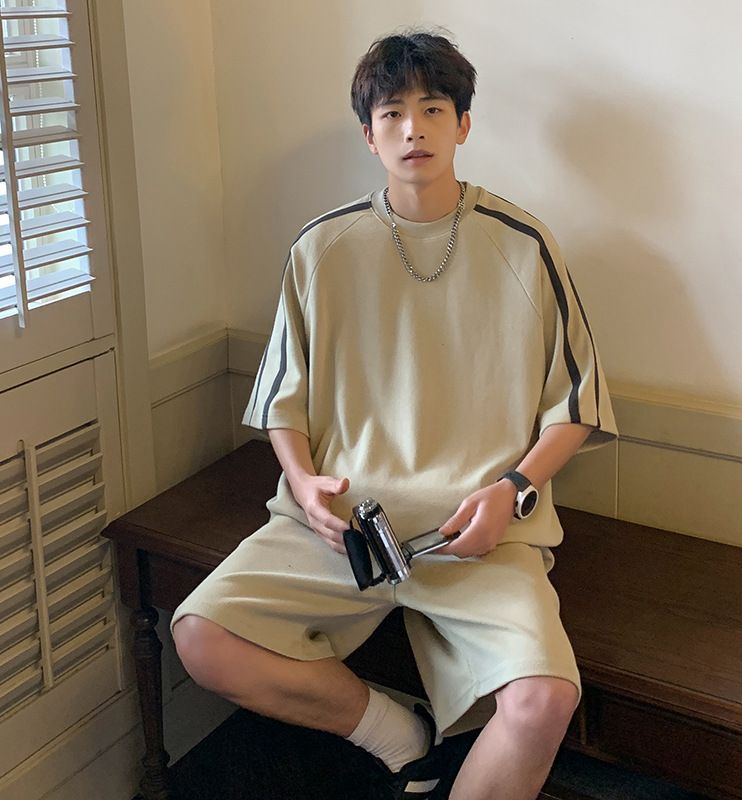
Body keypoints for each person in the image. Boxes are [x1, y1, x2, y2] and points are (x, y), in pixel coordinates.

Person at [171, 29, 618, 800]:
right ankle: (398, 735)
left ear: (463, 124)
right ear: (369, 135)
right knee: (200, 637)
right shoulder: (321, 247)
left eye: (434, 109)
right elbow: (283, 399)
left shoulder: (525, 245)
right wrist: (303, 482)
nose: (414, 128)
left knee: (544, 699)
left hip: (477, 533)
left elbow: (573, 406)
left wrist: (511, 490)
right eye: (393, 113)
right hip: (343, 528)